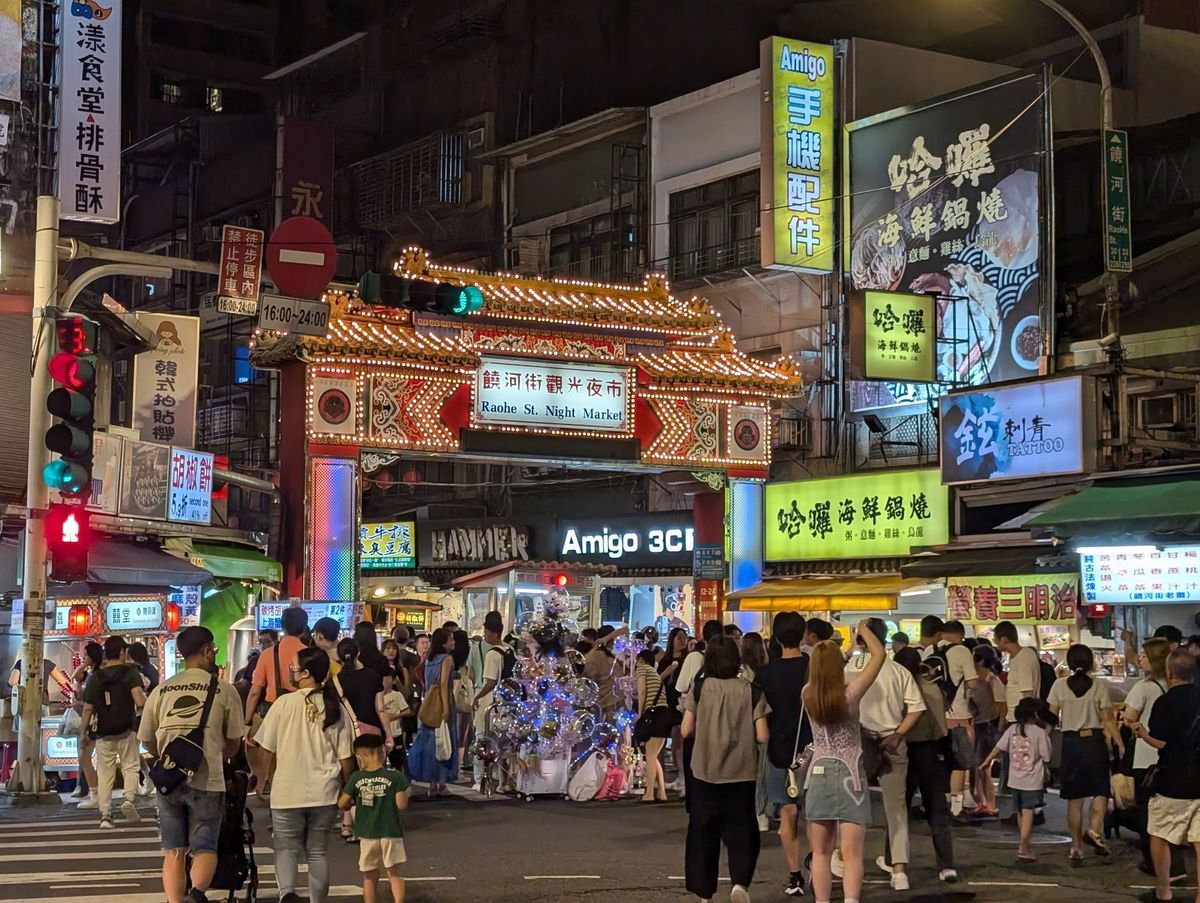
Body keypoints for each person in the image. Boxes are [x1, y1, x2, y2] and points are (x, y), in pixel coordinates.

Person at [139, 626, 243, 903]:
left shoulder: (161, 690)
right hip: (207, 778)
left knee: (173, 850)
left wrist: (170, 759)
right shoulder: (224, 690)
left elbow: (147, 740)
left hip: (169, 780)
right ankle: (196, 896)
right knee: (205, 846)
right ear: (208, 650)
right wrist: (216, 756)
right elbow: (234, 741)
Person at [254, 646, 355, 903]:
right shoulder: (334, 708)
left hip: (287, 793)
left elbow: (265, 748)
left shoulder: (283, 704)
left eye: (294, 668)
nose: (291, 671)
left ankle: (287, 894)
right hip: (324, 793)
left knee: (286, 849)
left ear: (305, 673)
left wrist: (262, 780)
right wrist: (347, 789)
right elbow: (346, 757)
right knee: (317, 853)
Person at [682, 635, 769, 903]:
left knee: (702, 833)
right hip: (741, 772)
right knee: (742, 830)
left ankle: (704, 893)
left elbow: (685, 729)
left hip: (705, 771)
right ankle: (740, 883)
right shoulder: (751, 689)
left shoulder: (700, 687)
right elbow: (762, 735)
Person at [805, 621, 888, 903]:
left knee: (821, 851)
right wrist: (863, 632)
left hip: (818, 773)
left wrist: (844, 650)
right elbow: (880, 656)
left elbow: (827, 666)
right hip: (850, 774)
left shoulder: (807, 694)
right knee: (852, 853)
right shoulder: (851, 693)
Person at [842, 617, 924, 890]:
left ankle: (845, 858)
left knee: (852, 806)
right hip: (894, 743)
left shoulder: (849, 669)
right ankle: (899, 870)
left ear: (860, 639)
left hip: (858, 743)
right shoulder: (899, 671)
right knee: (896, 809)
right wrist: (898, 734)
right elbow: (916, 708)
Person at [1135, 649, 1200, 903]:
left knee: (1159, 834)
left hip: (1173, 779)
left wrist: (1142, 733)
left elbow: (1160, 743)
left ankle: (1163, 889)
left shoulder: (1165, 702)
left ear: (1170, 672)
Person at [1048, 643, 1121, 862]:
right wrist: (1119, 742)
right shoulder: (1099, 686)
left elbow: (1051, 718)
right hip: (1094, 743)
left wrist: (1040, 739)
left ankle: (1076, 846)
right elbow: (1108, 719)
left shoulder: (1059, 686)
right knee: (1100, 790)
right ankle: (1094, 831)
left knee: (1074, 798)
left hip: (1070, 744)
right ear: (1091, 662)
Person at [755, 612, 810, 896]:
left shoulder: (766, 674)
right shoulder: (813, 668)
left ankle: (794, 875)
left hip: (780, 751)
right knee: (815, 814)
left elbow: (761, 716)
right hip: (814, 749)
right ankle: (818, 860)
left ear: (776, 638)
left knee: (788, 814)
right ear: (802, 635)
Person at [895, 648, 957, 883]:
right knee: (937, 811)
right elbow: (942, 728)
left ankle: (895, 863)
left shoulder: (899, 687)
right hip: (931, 752)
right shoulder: (932, 688)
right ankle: (946, 865)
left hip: (903, 751)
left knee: (898, 810)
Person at [80, 636, 147, 829]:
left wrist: (83, 733)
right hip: (126, 730)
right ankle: (128, 798)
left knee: (105, 773)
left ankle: (106, 816)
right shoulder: (131, 673)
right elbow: (140, 702)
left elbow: (87, 708)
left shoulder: (96, 677)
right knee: (130, 766)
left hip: (103, 733)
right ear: (122, 652)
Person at [1123, 638, 1177, 875]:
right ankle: (1174, 861)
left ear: (1153, 660)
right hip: (1170, 756)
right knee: (1169, 810)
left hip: (1146, 755)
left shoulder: (1143, 687)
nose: (1140, 659)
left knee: (1146, 811)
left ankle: (1154, 862)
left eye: (1144, 655)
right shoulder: (1176, 685)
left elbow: (1128, 718)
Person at [338, 734, 411, 903]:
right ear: (383, 752)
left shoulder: (356, 778)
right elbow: (401, 805)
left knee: (369, 877)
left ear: (359, 757)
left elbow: (343, 803)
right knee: (395, 874)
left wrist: (350, 804)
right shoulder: (395, 777)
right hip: (391, 831)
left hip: (367, 832)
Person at [335, 638, 394, 841]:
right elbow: (380, 708)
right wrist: (388, 734)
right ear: (358, 652)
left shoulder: (336, 680)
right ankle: (364, 825)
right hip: (369, 733)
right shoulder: (372, 676)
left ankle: (346, 824)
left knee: (349, 780)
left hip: (344, 735)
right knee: (368, 780)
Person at [981, 697, 1053, 863]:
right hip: (1032, 779)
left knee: (1021, 811)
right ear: (1035, 713)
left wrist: (987, 761)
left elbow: (999, 746)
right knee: (1028, 812)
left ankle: (1024, 842)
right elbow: (1047, 756)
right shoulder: (1039, 732)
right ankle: (1024, 845)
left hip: (1015, 779)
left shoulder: (1013, 729)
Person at [675, 620, 726, 808]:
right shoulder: (727, 659)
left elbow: (680, 686)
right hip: (722, 722)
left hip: (697, 721)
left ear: (703, 636)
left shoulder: (694, 657)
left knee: (694, 764)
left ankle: (696, 803)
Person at [407, 628, 459, 796]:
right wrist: (445, 708)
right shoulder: (447, 659)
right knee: (444, 741)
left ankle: (431, 784)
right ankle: (441, 782)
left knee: (430, 742)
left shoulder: (429, 659)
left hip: (429, 702)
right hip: (443, 702)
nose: (453, 642)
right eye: (451, 639)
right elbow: (443, 684)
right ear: (443, 643)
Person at [937, 620, 977, 816]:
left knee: (940, 762)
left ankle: (940, 803)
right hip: (958, 714)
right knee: (959, 764)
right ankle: (956, 807)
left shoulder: (931, 651)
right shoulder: (962, 651)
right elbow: (972, 683)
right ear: (960, 635)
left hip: (935, 717)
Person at [969, 645, 1006, 817]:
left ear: (981, 660)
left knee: (984, 766)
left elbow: (1001, 705)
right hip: (976, 724)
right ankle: (982, 802)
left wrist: (999, 727)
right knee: (977, 766)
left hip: (988, 726)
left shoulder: (992, 680)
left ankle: (989, 804)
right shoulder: (973, 678)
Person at [71, 641, 103, 805]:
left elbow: (94, 705)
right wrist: (84, 664)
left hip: (94, 721)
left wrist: (80, 705)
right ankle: (96, 794)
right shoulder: (92, 674)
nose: (83, 657)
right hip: (94, 720)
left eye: (86, 655)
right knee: (86, 758)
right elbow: (75, 676)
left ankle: (96, 795)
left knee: (84, 757)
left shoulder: (96, 676)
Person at [583, 625, 627, 720]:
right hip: (606, 702)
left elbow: (625, 630)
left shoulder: (605, 654)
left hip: (609, 701)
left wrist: (605, 639)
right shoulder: (596, 655)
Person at [450, 628, 474, 773]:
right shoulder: (467, 655)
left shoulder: (448, 657)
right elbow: (471, 673)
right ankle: (458, 767)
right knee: (462, 734)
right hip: (463, 698)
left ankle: (452, 766)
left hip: (451, 696)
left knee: (452, 733)